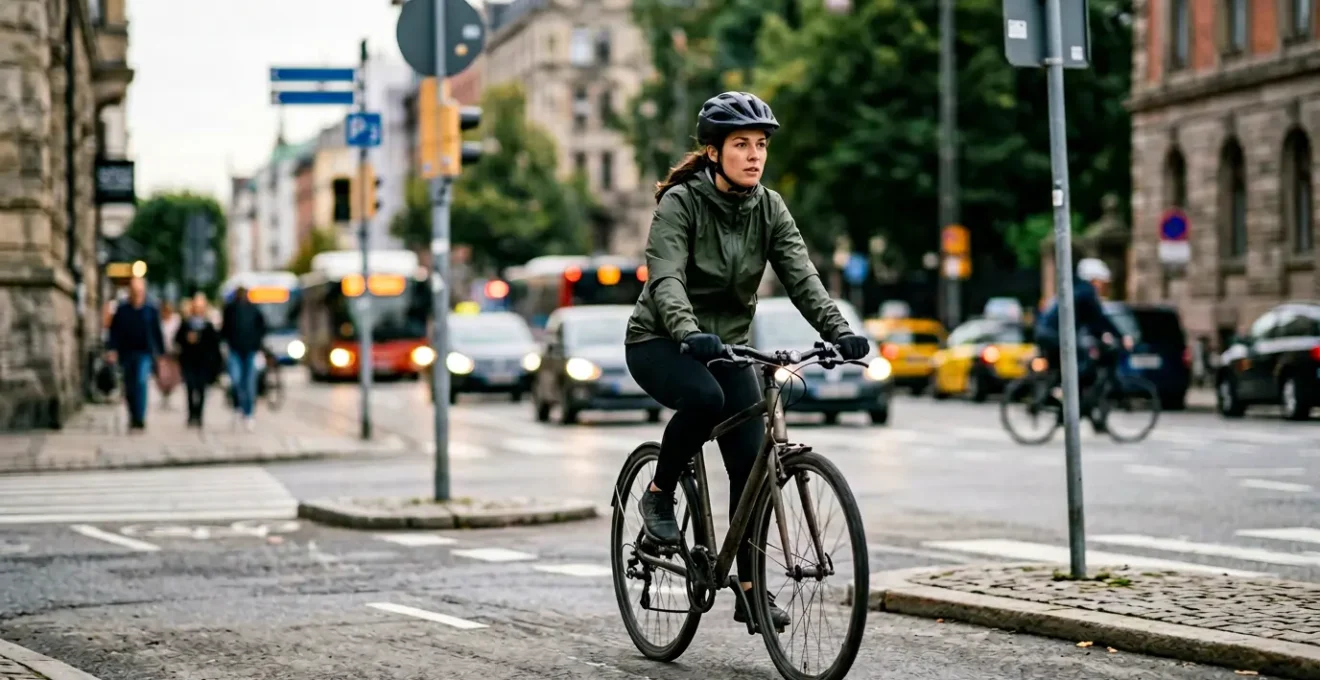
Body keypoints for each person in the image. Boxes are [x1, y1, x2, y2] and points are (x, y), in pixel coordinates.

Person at [623, 91, 871, 631]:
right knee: (705, 398)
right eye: (741, 144)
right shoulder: (680, 204)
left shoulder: (769, 207)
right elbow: (665, 278)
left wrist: (840, 331)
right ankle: (660, 495)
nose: (755, 155)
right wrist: (688, 331)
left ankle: (751, 591)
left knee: (750, 465)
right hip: (661, 341)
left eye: (760, 145)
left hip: (729, 347)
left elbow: (802, 277)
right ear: (713, 152)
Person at [1034, 257, 1128, 384]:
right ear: (1094, 280)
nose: (1103, 287)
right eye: (1102, 282)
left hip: (1046, 333)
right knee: (1083, 362)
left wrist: (1100, 334)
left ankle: (1059, 389)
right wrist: (1120, 336)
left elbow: (1090, 321)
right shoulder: (1086, 293)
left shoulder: (1075, 290)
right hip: (1054, 335)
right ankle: (1072, 396)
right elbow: (1098, 319)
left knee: (1066, 365)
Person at [104, 276, 166, 431]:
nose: (137, 293)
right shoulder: (122, 309)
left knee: (141, 381)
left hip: (144, 352)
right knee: (129, 386)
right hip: (126, 353)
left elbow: (157, 332)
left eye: (140, 290)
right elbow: (114, 331)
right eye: (134, 290)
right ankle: (132, 415)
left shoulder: (151, 309)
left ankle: (140, 417)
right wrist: (112, 349)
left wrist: (160, 354)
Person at [221, 285, 268, 431]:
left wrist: (257, 345)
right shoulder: (230, 309)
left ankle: (248, 413)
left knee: (249, 383)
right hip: (235, 350)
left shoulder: (254, 310)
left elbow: (262, 328)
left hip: (250, 351)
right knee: (235, 380)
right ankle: (237, 406)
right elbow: (225, 329)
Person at [175, 293, 223, 428]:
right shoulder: (186, 323)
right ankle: (191, 414)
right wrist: (186, 339)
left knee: (201, 389)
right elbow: (178, 340)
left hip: (203, 363)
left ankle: (199, 414)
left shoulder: (208, 326)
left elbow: (214, 345)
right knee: (190, 388)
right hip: (189, 362)